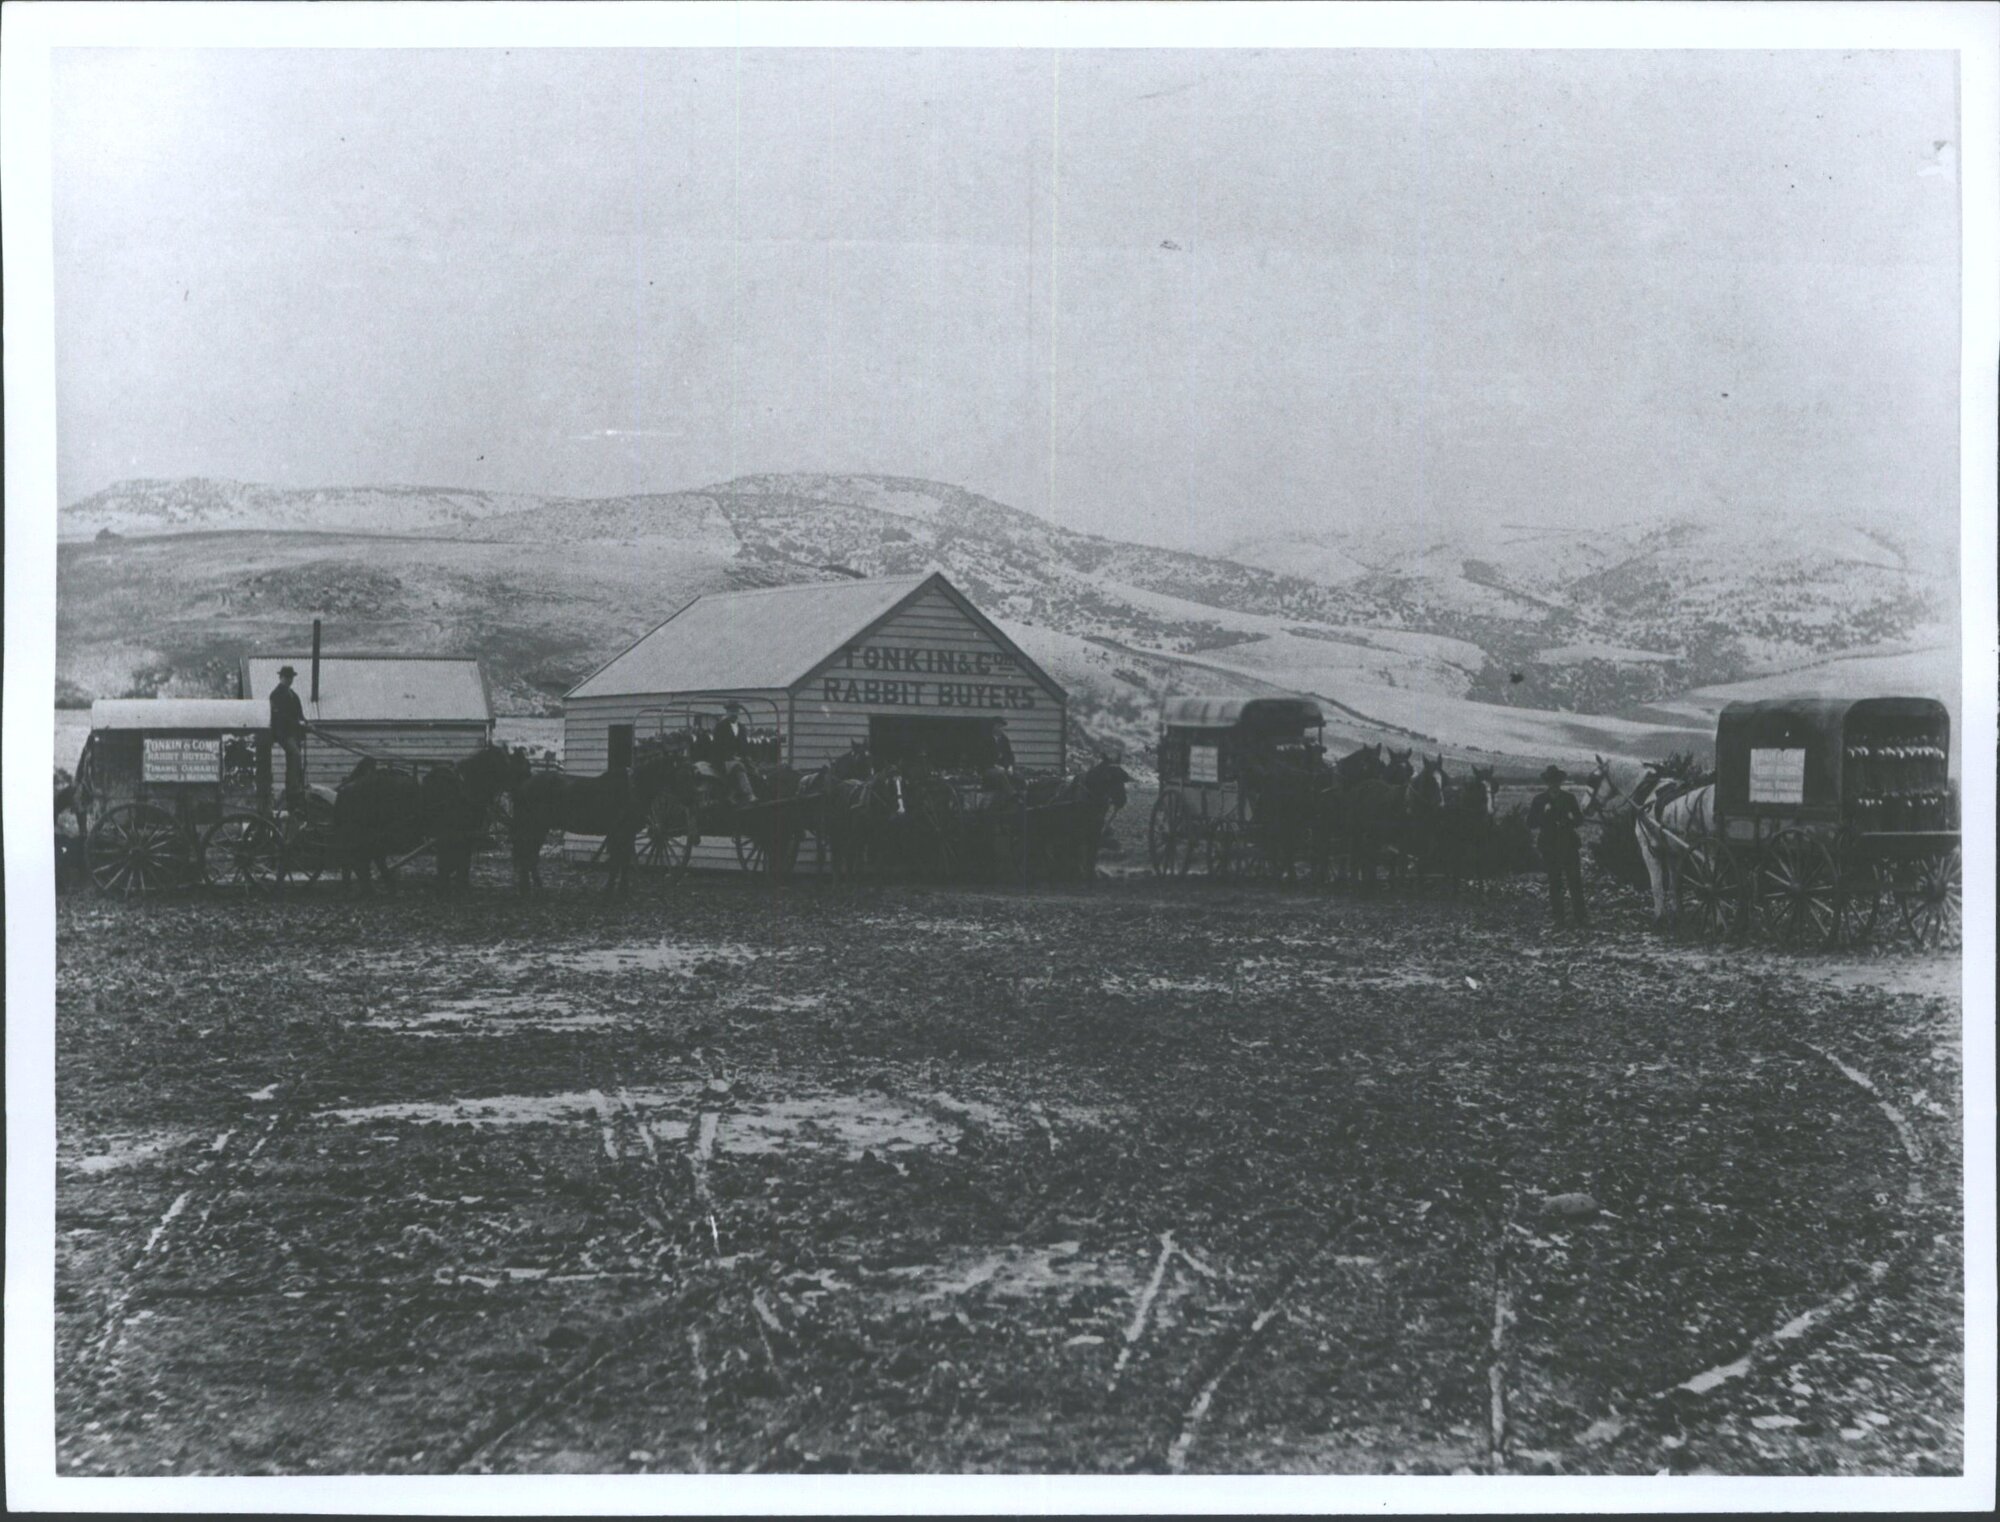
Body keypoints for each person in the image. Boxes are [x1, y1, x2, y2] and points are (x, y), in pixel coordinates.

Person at [1526, 763, 1589, 928]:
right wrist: (1543, 814)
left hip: (1569, 844)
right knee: (1555, 883)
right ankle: (1558, 918)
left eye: (1557, 781)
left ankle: (1581, 917)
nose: (1554, 784)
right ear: (1547, 783)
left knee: (1575, 881)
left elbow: (1579, 819)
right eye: (1551, 781)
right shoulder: (1539, 800)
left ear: (1560, 782)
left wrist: (1570, 819)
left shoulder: (1569, 798)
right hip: (1549, 847)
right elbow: (1530, 823)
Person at [269, 664, 307, 801]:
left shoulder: (294, 696)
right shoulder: (275, 695)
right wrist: (296, 723)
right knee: (295, 754)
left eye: (291, 677)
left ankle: (295, 784)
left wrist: (305, 723)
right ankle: (293, 788)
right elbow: (279, 716)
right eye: (286, 677)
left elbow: (300, 714)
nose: (289, 680)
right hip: (282, 733)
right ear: (281, 677)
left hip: (294, 733)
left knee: (296, 759)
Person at [712, 702, 756, 805]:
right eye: (731, 711)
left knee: (753, 769)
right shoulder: (720, 727)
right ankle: (748, 794)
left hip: (739, 759)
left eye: (736, 711)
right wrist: (732, 757)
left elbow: (744, 746)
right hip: (722, 760)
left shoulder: (741, 727)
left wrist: (746, 757)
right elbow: (717, 747)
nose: (734, 713)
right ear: (727, 712)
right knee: (738, 767)